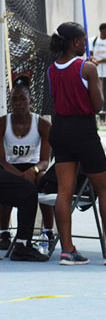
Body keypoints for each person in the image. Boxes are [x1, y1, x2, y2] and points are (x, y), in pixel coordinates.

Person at [47, 22, 106, 265]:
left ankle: (67, 250)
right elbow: (97, 105)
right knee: (104, 190)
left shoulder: (52, 69)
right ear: (76, 43)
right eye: (83, 41)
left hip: (60, 129)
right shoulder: (87, 68)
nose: (85, 45)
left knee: (64, 192)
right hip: (84, 130)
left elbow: (55, 97)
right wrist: (94, 77)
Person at [0, 75, 52, 261]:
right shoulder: (3, 123)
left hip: (33, 166)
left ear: (31, 100)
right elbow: (2, 161)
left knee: (43, 182)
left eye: (22, 99)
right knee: (13, 186)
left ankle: (48, 230)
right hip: (9, 167)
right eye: (14, 99)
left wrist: (34, 170)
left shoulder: (42, 124)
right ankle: (5, 232)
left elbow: (45, 160)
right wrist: (20, 176)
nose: (18, 103)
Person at [89, 22, 106, 122]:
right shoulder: (94, 40)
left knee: (105, 94)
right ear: (102, 31)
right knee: (94, 93)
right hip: (95, 73)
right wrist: (95, 61)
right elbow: (90, 54)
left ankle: (103, 117)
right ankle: (94, 115)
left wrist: (99, 60)